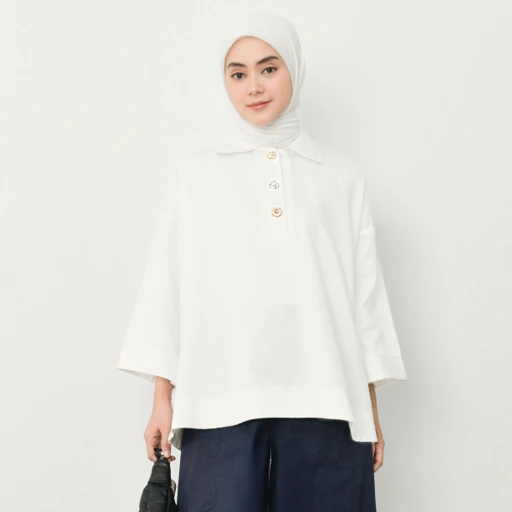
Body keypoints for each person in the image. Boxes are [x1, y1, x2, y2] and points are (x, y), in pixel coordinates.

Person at [117, 11, 407, 511]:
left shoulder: (341, 177)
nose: (253, 86)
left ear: (294, 68)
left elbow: (363, 300)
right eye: (238, 73)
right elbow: (169, 288)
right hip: (219, 397)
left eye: (268, 68)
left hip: (327, 399)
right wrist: (162, 399)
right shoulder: (196, 176)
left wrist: (369, 410)